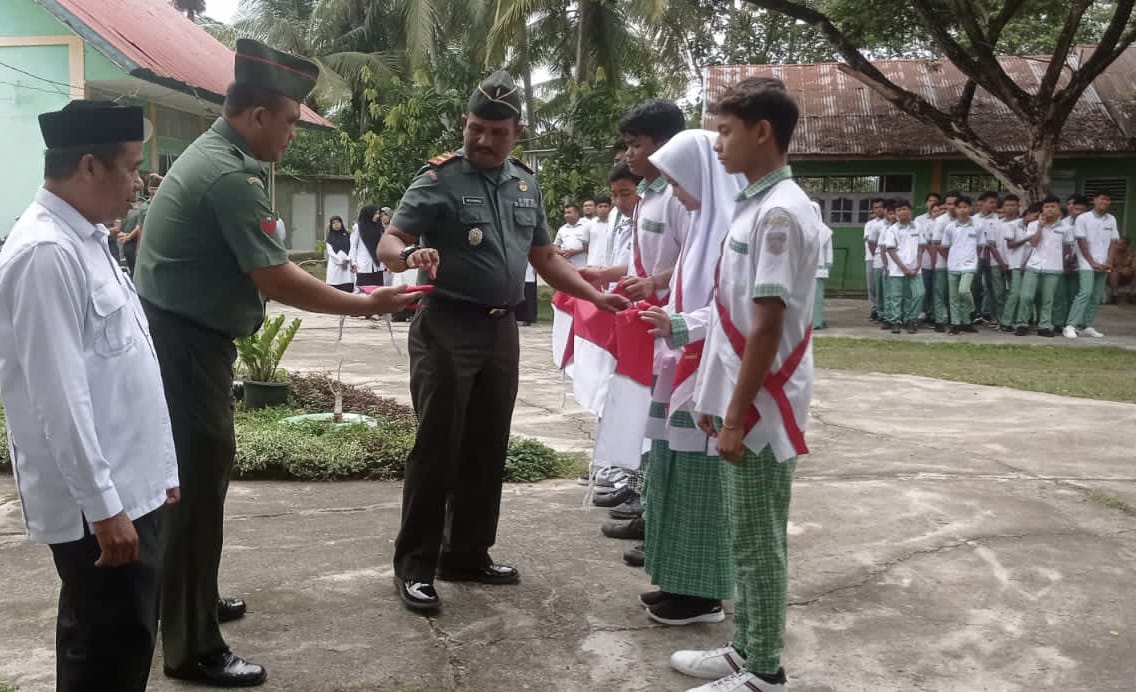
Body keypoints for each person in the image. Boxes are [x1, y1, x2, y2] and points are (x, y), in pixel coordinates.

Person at [133, 39, 420, 687]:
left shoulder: (219, 158)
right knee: (196, 489)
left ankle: (188, 601)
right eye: (290, 121)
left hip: (182, 342)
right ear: (258, 115)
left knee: (194, 486)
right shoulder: (228, 176)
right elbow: (276, 277)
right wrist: (367, 303)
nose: (293, 134)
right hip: (185, 349)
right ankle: (192, 647)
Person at [377, 70, 628, 613]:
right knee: (437, 446)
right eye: (475, 128)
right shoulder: (439, 178)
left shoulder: (525, 183)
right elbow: (390, 239)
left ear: (518, 132)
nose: (483, 140)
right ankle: (415, 566)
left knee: (487, 443)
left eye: (496, 132)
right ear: (465, 124)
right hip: (447, 326)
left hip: (500, 329)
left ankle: (467, 554)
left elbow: (545, 257)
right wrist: (407, 256)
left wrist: (594, 294)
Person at [0, 100, 179, 692]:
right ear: (89, 166)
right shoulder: (45, 253)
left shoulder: (89, 239)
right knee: (107, 655)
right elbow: (59, 400)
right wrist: (104, 508)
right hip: (99, 508)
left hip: (129, 488)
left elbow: (126, 366)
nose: (139, 184)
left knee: (114, 642)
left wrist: (160, 473)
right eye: (130, 168)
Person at [670, 76, 816, 692]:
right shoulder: (756, 205)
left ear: (762, 132)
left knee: (758, 541)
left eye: (725, 131)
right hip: (744, 398)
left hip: (760, 406)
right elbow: (729, 314)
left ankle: (764, 672)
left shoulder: (779, 212)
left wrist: (734, 416)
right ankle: (745, 649)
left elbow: (767, 324)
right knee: (745, 534)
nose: (717, 144)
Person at [635, 129, 744, 626]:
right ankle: (677, 579)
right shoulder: (702, 229)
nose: (675, 193)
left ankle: (702, 596)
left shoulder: (730, 231)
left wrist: (679, 325)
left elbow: (734, 311)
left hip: (710, 373)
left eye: (678, 182)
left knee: (702, 485)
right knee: (674, 475)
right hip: (682, 366)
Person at [582, 99, 688, 567]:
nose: (628, 155)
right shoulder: (650, 196)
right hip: (648, 322)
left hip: (672, 325)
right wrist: (609, 273)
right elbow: (647, 260)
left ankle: (656, 516)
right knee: (644, 418)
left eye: (635, 145)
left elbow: (694, 261)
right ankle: (647, 507)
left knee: (659, 425)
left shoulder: (681, 197)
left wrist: (655, 284)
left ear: (664, 145)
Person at [1013, 195, 1072, 337]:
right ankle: (1022, 324)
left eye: (1053, 206)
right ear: (1042, 209)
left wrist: (1063, 263)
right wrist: (1040, 227)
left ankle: (1044, 326)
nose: (1050, 209)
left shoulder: (1066, 228)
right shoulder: (1033, 225)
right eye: (1046, 207)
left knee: (1047, 299)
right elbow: (1033, 243)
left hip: (1054, 268)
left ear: (1059, 209)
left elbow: (1067, 248)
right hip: (1033, 266)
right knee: (1026, 296)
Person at [1065, 191, 1119, 338]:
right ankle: (1070, 325)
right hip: (1086, 262)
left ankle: (1086, 325)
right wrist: (1092, 262)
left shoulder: (1111, 219)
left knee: (1096, 296)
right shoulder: (1083, 218)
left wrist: (1109, 261)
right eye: (1101, 199)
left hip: (1104, 262)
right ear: (1094, 200)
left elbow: (1114, 241)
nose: (1104, 202)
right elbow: (1081, 241)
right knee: (1085, 293)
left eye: (1107, 200)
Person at [881, 199, 925, 333]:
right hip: (897, 270)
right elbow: (891, 250)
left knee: (919, 294)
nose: (902, 212)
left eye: (904, 209)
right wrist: (903, 268)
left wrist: (918, 265)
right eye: (898, 210)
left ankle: (911, 319)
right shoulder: (892, 230)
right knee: (896, 297)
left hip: (915, 269)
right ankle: (896, 321)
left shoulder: (917, 226)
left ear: (910, 211)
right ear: (895, 214)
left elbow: (921, 247)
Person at [941, 195, 981, 335]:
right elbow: (945, 246)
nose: (962, 210)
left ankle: (972, 310)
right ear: (955, 209)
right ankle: (958, 324)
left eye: (965, 207)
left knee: (964, 291)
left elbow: (980, 245)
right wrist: (951, 259)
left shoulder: (977, 225)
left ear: (970, 208)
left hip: (969, 265)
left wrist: (974, 259)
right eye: (959, 207)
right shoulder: (950, 227)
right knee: (954, 298)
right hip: (953, 265)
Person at [930, 193, 959, 331]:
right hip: (942, 263)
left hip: (960, 265)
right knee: (939, 292)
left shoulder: (964, 220)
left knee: (954, 294)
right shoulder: (941, 221)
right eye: (948, 204)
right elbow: (937, 243)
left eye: (954, 203)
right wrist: (950, 259)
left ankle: (955, 320)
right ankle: (939, 321)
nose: (951, 207)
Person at [351, 204, 386, 290]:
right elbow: (353, 246)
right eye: (375, 213)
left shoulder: (379, 226)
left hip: (377, 265)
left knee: (378, 289)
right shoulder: (358, 227)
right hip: (363, 265)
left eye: (378, 213)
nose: (377, 216)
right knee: (364, 290)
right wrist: (353, 262)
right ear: (369, 214)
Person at [863, 198, 886, 321]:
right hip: (871, 257)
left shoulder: (890, 223)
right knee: (872, 286)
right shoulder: (870, 224)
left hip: (887, 258)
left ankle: (883, 310)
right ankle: (874, 309)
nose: (878, 210)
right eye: (875, 207)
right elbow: (871, 241)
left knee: (883, 285)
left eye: (880, 207)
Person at [813, 202, 834, 330]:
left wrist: (828, 265)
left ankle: (816, 321)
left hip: (819, 268)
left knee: (817, 297)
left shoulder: (825, 230)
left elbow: (828, 251)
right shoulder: (800, 227)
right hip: (801, 269)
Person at [554, 203, 589, 268]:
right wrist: (562, 252)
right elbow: (555, 246)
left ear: (577, 213)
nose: (566, 215)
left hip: (584, 265)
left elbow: (592, 245)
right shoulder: (562, 229)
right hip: (567, 266)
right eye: (565, 213)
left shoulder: (587, 226)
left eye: (569, 212)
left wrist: (575, 252)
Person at [325, 214, 353, 292]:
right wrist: (341, 262)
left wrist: (347, 259)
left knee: (347, 288)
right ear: (331, 225)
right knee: (334, 289)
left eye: (338, 222)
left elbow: (352, 248)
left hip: (347, 266)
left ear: (341, 223)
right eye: (333, 223)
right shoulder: (329, 238)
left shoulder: (348, 235)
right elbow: (330, 252)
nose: (336, 224)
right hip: (335, 266)